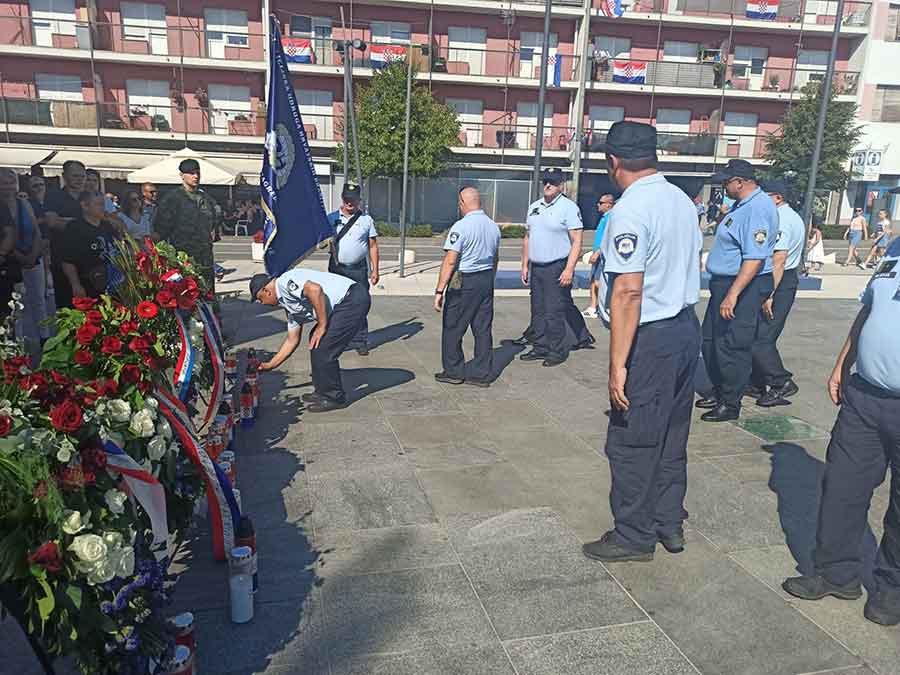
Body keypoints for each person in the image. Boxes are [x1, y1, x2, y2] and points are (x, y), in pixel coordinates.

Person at [580, 121, 702, 563]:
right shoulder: (680, 200)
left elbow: (628, 291)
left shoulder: (630, 210)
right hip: (684, 328)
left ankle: (633, 535)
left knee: (632, 439)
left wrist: (618, 364)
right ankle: (668, 521)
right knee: (671, 434)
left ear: (613, 162)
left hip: (650, 336)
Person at [782, 238, 900, 627]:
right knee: (842, 486)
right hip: (865, 396)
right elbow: (869, 311)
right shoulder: (893, 251)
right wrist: (842, 363)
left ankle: (892, 588)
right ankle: (836, 573)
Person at [697, 159, 778, 422]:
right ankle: (719, 390)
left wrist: (733, 294)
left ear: (740, 182)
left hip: (743, 285)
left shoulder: (758, 208)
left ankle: (730, 402)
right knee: (710, 340)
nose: (724, 187)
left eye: (726, 182)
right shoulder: (742, 205)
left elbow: (754, 258)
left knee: (732, 345)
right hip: (726, 283)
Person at [249, 269, 370, 413]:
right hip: (345, 303)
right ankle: (322, 391)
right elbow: (292, 340)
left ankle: (334, 397)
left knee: (323, 345)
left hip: (352, 299)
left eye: (260, 299)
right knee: (316, 339)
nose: (262, 303)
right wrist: (270, 364)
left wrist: (322, 325)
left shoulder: (284, 283)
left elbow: (315, 290)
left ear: (266, 291)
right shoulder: (288, 305)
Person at [517, 168, 594, 366]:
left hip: (556, 266)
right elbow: (527, 237)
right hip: (537, 266)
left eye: (552, 182)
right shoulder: (534, 207)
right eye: (545, 181)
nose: (548, 185)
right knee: (538, 310)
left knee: (554, 311)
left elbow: (577, 241)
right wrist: (524, 264)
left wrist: (569, 269)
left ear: (561, 185)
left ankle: (556, 351)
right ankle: (540, 347)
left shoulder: (568, 208)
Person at [433, 186, 501, 387]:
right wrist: (490, 280)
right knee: (482, 328)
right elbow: (495, 258)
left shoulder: (461, 227)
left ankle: (454, 371)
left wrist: (439, 290)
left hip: (465, 281)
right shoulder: (493, 226)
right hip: (485, 279)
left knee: (453, 326)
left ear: (462, 203)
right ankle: (481, 373)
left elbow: (450, 261)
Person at [749, 179, 804, 407]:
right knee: (759, 334)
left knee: (762, 339)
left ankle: (781, 382)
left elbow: (778, 259)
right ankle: (758, 381)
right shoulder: (792, 216)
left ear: (778, 198)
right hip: (781, 280)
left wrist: (769, 294)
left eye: (766, 195)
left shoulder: (782, 219)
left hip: (779, 282)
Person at [326, 184, 379, 356]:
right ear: (342, 198)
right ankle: (337, 338)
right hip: (337, 269)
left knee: (360, 304)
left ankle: (360, 340)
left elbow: (373, 246)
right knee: (335, 304)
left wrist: (375, 270)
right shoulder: (331, 218)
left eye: (353, 199)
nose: (350, 203)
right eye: (347, 199)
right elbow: (322, 240)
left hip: (358, 270)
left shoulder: (366, 220)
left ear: (359, 200)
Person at [152, 159, 219, 291]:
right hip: (183, 255)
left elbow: (214, 222)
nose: (196, 176)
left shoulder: (206, 199)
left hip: (205, 255)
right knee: (186, 293)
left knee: (207, 291)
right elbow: (160, 229)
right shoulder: (172, 199)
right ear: (182, 175)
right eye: (191, 173)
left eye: (198, 173)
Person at [1, 169, 45, 356]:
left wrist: (33, 255)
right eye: (4, 183)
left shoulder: (24, 203)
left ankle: (44, 339)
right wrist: (18, 256)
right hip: (11, 261)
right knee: (15, 304)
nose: (8, 186)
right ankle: (16, 345)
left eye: (11, 182)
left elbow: (36, 231)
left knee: (39, 301)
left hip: (32, 257)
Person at [60, 191, 120, 299]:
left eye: (103, 204)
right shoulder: (74, 228)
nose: (102, 208)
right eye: (98, 204)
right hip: (89, 284)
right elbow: (67, 260)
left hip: (112, 282)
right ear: (84, 206)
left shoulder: (107, 226)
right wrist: (75, 284)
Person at [44, 159, 87, 309]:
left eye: (82, 176)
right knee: (66, 306)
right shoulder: (54, 196)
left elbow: (101, 219)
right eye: (75, 176)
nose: (79, 180)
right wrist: (83, 223)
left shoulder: (89, 196)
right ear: (64, 176)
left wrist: (65, 220)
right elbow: (51, 222)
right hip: (62, 258)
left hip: (88, 258)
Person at [583, 194, 614, 319]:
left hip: (602, 255)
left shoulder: (611, 218)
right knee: (592, 281)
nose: (598, 205)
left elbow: (607, 238)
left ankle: (607, 307)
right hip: (597, 253)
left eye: (601, 203)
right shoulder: (604, 217)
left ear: (609, 204)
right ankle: (593, 307)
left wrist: (598, 252)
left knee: (598, 282)